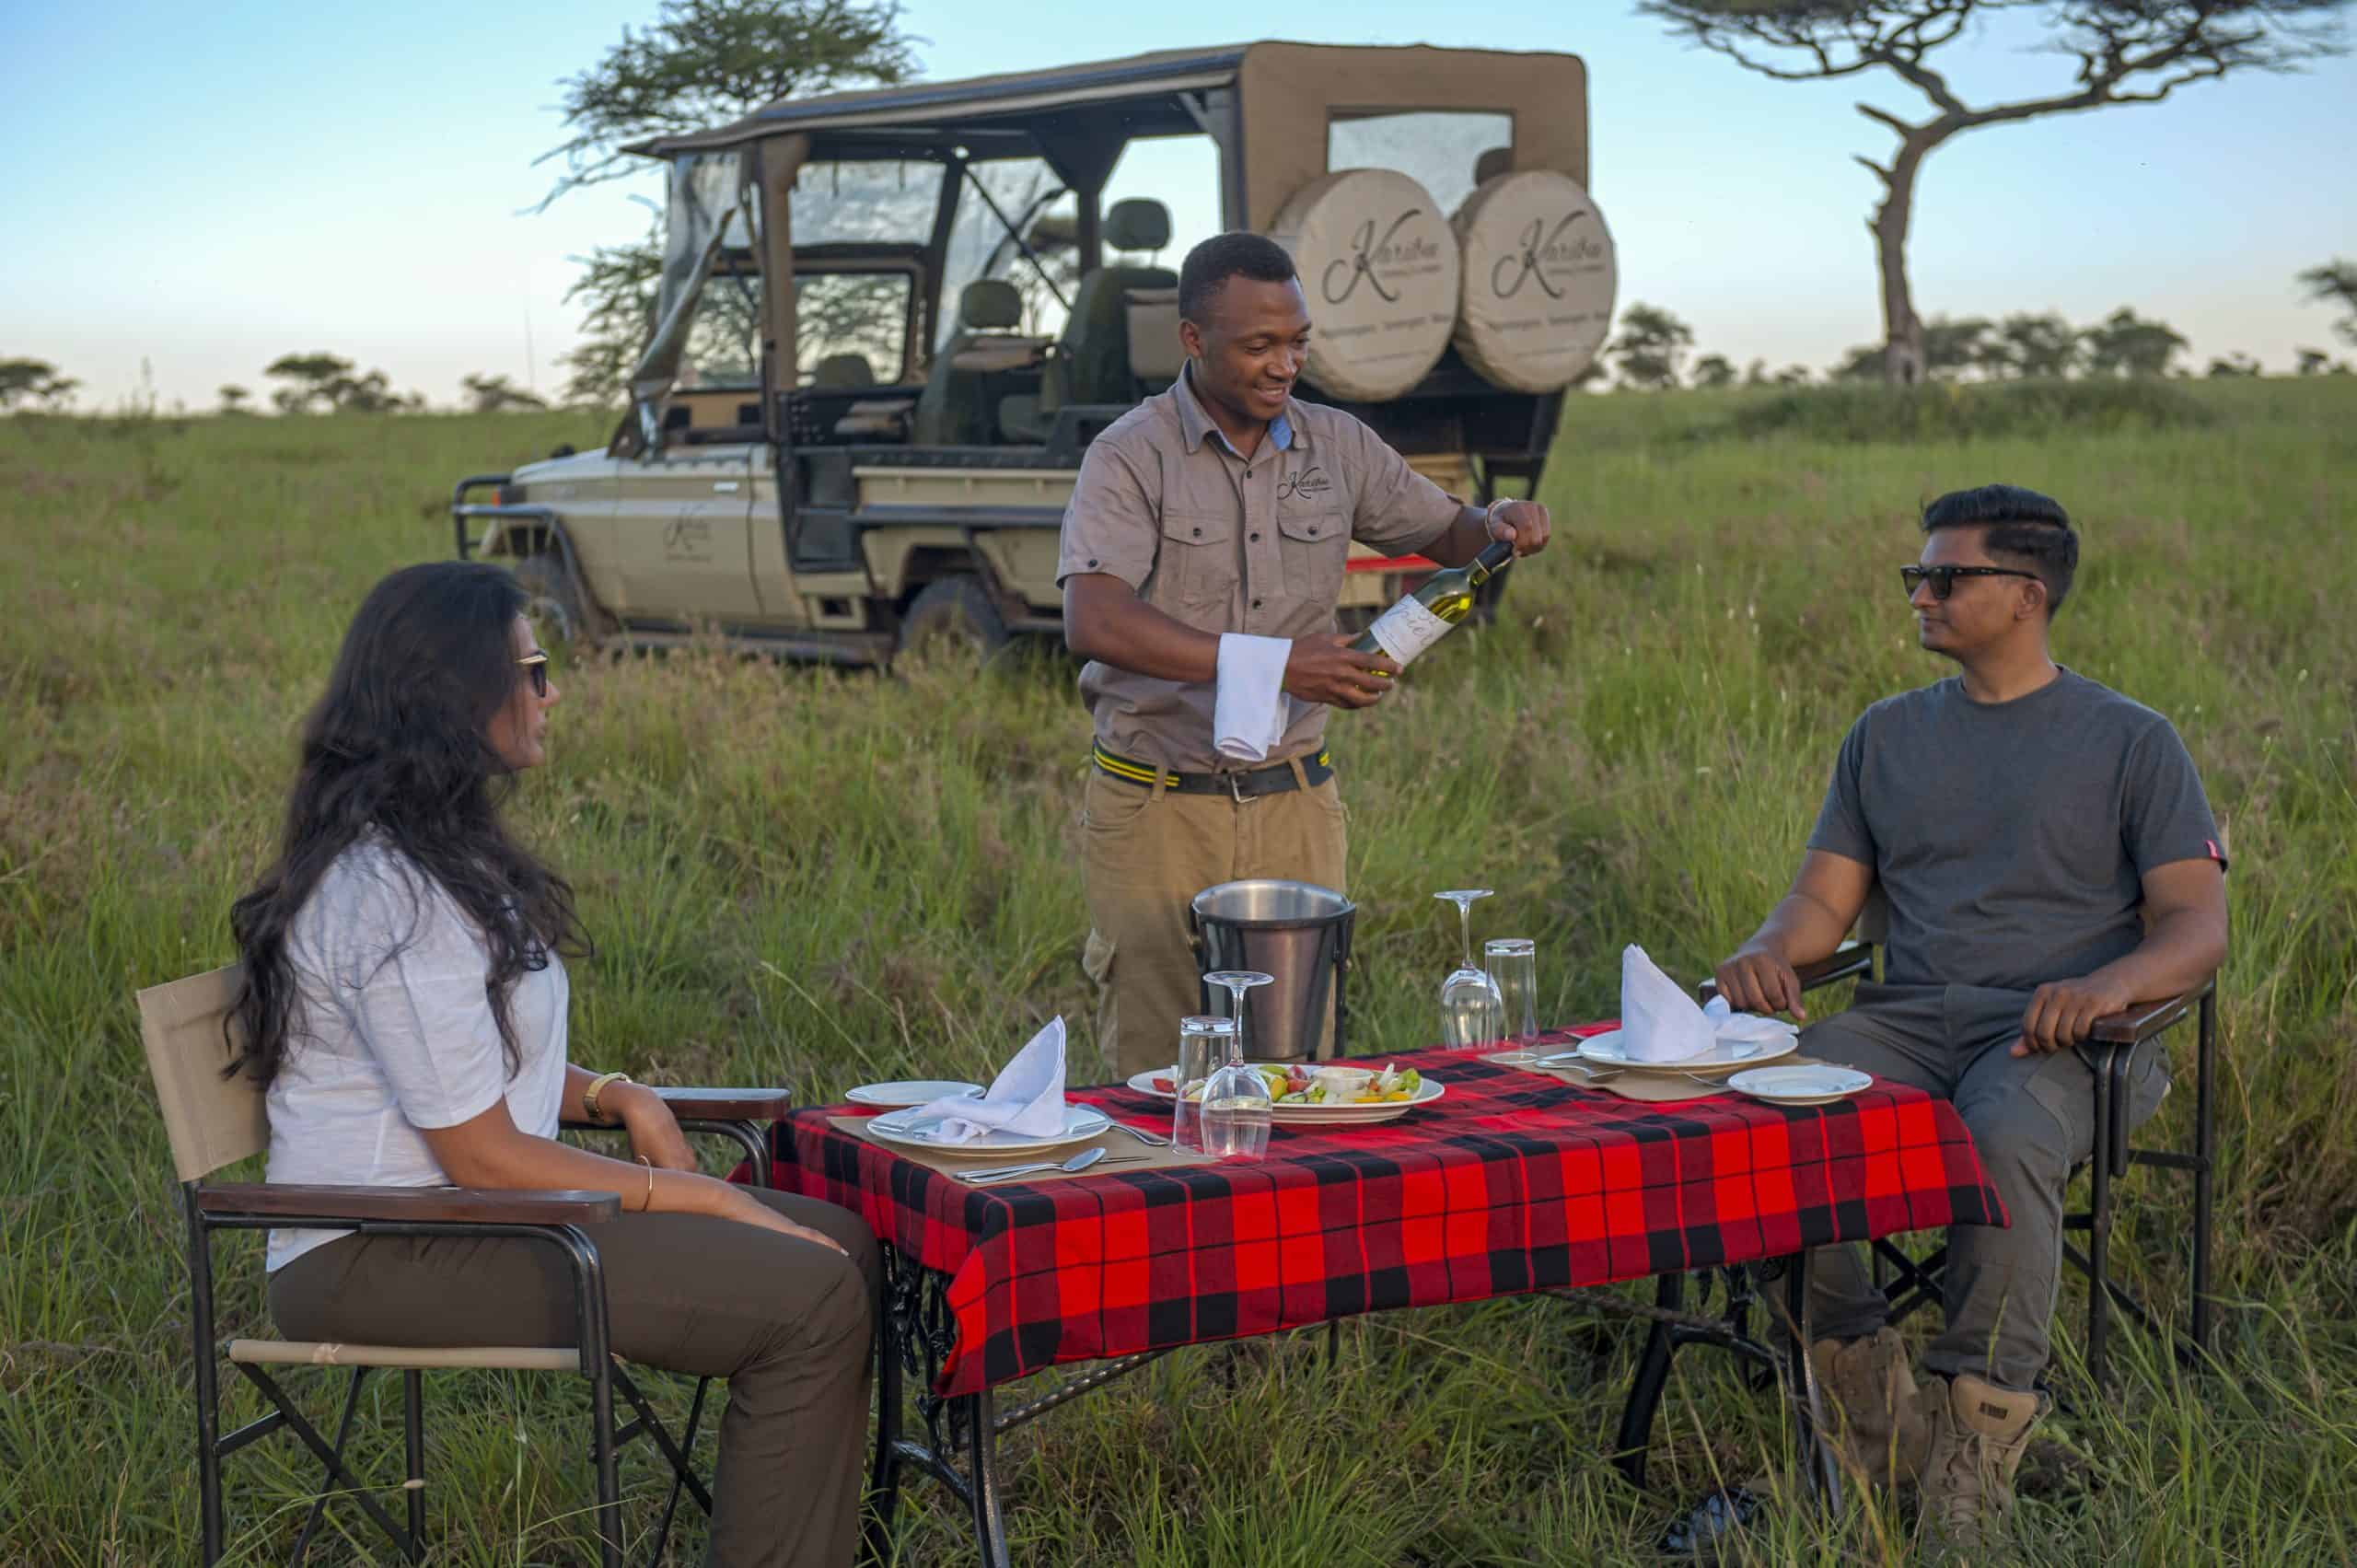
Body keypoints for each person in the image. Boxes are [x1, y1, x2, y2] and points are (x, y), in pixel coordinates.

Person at [228, 561, 879, 1568]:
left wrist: (621, 1094)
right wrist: (699, 1195)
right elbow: (483, 1154)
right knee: (813, 1297)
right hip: (373, 1250)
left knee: (844, 1242)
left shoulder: (439, 857)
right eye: (532, 670)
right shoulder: (388, 896)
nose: (552, 691)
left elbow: (476, 1066)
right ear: (459, 695)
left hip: (458, 1215)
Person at [1712, 485, 2227, 1544]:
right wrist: (1768, 946)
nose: (1920, 595)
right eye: (1918, 575)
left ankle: (1975, 1450)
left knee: (2001, 1131)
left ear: (2025, 595)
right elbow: (1821, 904)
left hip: (2064, 1034)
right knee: (1761, 1103)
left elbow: (2194, 924)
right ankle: (1868, 1409)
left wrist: (2110, 985)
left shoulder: (2132, 739)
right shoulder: (1885, 734)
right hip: (1907, 1019)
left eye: (1945, 577)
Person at [1059, 231, 1554, 1077]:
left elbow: (1448, 531)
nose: (1285, 365)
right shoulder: (1129, 455)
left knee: (1299, 1070)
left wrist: (1499, 518)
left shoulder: (1339, 444)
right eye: (1260, 345)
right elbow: (1095, 619)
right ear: (1192, 339)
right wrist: (1277, 663)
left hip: (1294, 803)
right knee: (1162, 1073)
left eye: (1298, 342)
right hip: (1157, 809)